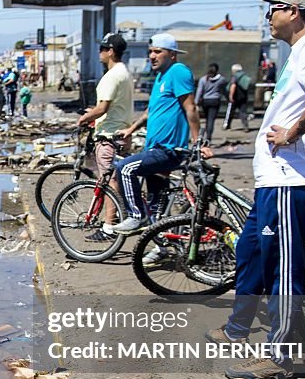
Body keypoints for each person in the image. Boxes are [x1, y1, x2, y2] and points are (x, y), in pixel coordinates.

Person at [209, 0, 305, 379]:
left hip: (292, 178)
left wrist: (294, 131)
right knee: (251, 250)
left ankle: (280, 356)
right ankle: (237, 329)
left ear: (293, 11)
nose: (268, 14)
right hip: (275, 179)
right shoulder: (299, 51)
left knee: (281, 267)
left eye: (273, 7)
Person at [110, 33, 209, 235]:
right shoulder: (160, 77)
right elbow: (150, 111)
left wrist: (199, 142)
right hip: (155, 148)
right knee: (157, 206)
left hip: (168, 149)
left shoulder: (178, 71)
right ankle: (162, 246)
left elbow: (191, 108)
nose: (152, 56)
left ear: (172, 54)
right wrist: (130, 130)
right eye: (150, 52)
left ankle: (136, 216)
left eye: (157, 52)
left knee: (125, 168)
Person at [76, 33, 134, 240]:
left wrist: (84, 118)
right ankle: (117, 219)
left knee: (110, 181)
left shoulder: (111, 75)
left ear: (110, 51)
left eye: (102, 49)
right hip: (121, 133)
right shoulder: (125, 73)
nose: (99, 53)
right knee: (114, 178)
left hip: (109, 135)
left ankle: (109, 226)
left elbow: (103, 108)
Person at [195, 62, 228, 142]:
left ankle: (204, 135)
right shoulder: (221, 79)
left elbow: (199, 91)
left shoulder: (203, 79)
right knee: (211, 120)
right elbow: (224, 90)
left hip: (205, 101)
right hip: (215, 100)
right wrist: (228, 98)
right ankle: (208, 137)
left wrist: (196, 102)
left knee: (207, 119)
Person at [226, 63, 254, 131]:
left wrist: (231, 96)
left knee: (231, 111)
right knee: (243, 112)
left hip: (235, 97)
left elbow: (233, 86)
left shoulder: (235, 76)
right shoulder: (245, 76)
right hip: (243, 96)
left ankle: (227, 125)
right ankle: (245, 126)